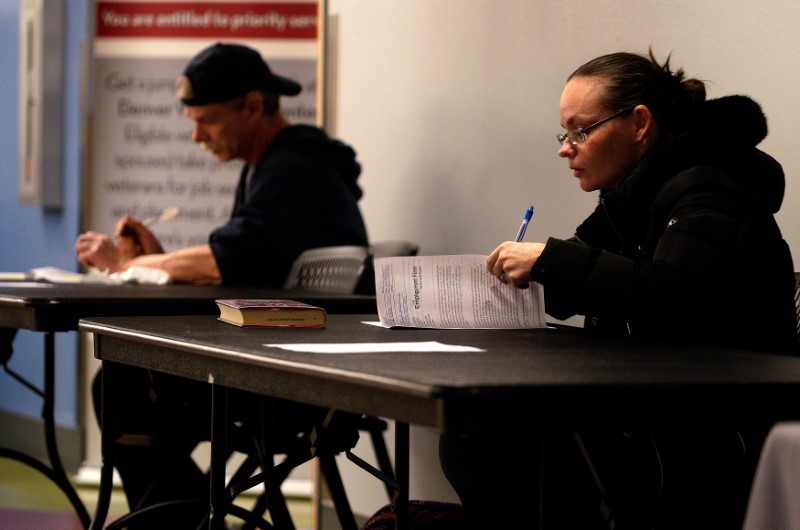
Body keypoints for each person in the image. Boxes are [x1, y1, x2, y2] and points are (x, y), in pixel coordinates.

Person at [440, 50, 798, 529]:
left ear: (640, 124)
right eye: (564, 134)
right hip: (658, 410)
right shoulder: (633, 198)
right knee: (480, 431)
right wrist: (530, 279)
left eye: (581, 131)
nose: (565, 148)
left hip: (712, 434)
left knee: (487, 437)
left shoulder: (711, 192)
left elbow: (674, 294)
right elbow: (595, 276)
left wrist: (549, 260)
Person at [75, 42, 369, 528]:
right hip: (276, 360)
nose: (195, 136)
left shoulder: (296, 169)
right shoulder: (270, 167)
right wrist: (155, 260)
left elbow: (225, 257)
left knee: (122, 387)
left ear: (254, 107)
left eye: (206, 120)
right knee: (122, 382)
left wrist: (133, 266)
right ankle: (189, 519)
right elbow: (240, 261)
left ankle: (182, 523)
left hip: (299, 381)